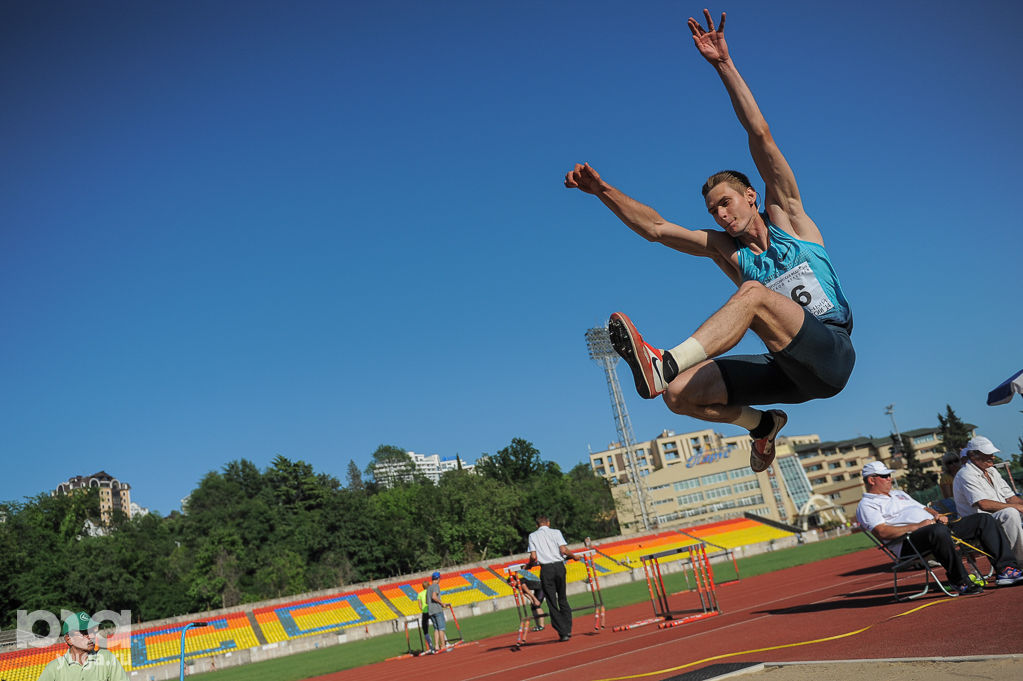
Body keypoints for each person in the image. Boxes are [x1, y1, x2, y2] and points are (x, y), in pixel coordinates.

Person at [564, 9, 854, 474]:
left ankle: (666, 362)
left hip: (831, 354)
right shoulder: (728, 251)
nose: (720, 215)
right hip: (789, 371)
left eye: (726, 202)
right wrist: (603, 192)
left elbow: (760, 135)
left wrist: (724, 64)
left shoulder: (790, 219)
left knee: (753, 293)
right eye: (713, 210)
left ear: (751, 196)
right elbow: (656, 229)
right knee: (679, 395)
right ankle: (762, 425)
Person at [855, 461, 1023, 593]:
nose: (889, 478)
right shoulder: (867, 505)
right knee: (937, 531)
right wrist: (918, 526)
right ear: (871, 480)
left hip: (936, 528)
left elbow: (924, 508)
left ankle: (1007, 569)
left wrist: (936, 515)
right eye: (884, 476)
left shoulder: (899, 494)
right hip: (909, 543)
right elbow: (882, 531)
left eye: (889, 475)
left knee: (983, 519)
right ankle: (960, 581)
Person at [953, 435, 1023, 564]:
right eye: (987, 453)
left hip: (995, 516)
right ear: (973, 456)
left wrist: (1020, 505)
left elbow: (1010, 497)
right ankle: (1019, 561)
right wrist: (1017, 507)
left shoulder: (992, 471)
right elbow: (983, 504)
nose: (993, 457)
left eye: (992, 453)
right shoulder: (965, 474)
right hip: (978, 523)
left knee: (1012, 512)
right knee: (1011, 513)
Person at [525, 515, 577, 641]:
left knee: (552, 602)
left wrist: (529, 565)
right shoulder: (556, 532)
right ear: (548, 523)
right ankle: (567, 628)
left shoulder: (533, 536)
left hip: (546, 569)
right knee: (563, 598)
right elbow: (563, 550)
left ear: (537, 525)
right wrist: (574, 556)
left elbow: (533, 557)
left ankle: (562, 632)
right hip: (559, 567)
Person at [38, 611, 129, 681]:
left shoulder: (107, 658)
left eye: (92, 631)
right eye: (85, 632)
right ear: (69, 639)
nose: (92, 636)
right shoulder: (53, 668)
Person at [426, 571, 452, 652]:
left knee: (436, 628)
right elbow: (434, 597)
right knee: (441, 628)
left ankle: (436, 645)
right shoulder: (436, 586)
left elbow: (427, 601)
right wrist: (442, 603)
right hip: (437, 610)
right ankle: (443, 645)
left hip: (431, 611)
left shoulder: (428, 588)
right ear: (437, 578)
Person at [416, 580, 436, 653]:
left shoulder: (420, 594)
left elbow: (420, 605)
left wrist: (423, 609)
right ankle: (443, 642)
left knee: (425, 630)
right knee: (437, 627)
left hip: (425, 612)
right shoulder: (431, 592)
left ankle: (431, 646)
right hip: (432, 610)